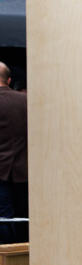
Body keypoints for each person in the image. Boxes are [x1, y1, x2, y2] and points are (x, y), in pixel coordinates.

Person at [0, 61, 28, 243]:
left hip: (0, 175)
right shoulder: (26, 101)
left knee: (3, 220)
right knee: (24, 219)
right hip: (24, 172)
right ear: (9, 80)